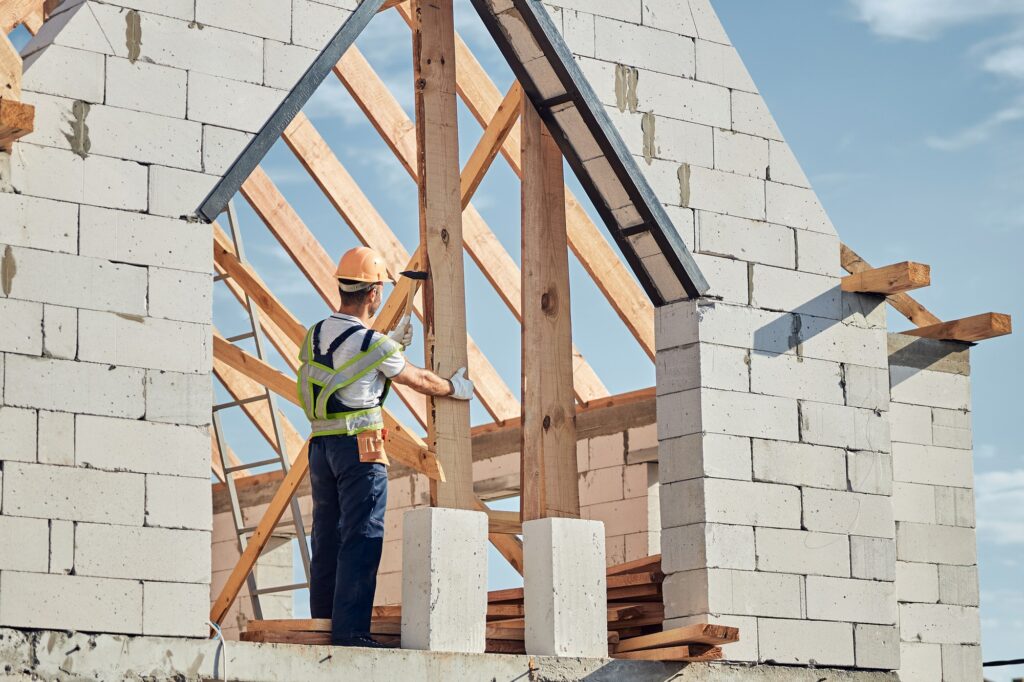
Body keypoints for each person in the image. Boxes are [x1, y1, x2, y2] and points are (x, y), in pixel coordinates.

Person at [298, 246, 474, 648]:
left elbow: (344, 369)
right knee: (362, 537)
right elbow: (418, 380)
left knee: (326, 537)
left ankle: (324, 625)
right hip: (360, 449)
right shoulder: (372, 344)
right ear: (374, 294)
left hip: (321, 448)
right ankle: (352, 634)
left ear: (343, 287)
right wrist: (455, 388)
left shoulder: (316, 333)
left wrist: (389, 344)